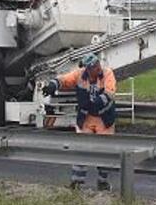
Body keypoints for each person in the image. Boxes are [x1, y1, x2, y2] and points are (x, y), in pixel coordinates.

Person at [42, 52, 117, 190]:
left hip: (104, 118)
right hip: (86, 118)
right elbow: (64, 80)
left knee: (105, 152)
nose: (97, 68)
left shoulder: (107, 73)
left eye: (98, 64)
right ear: (87, 69)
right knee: (81, 149)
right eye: (94, 67)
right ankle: (77, 183)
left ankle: (102, 182)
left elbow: (110, 93)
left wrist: (96, 102)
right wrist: (53, 85)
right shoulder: (79, 75)